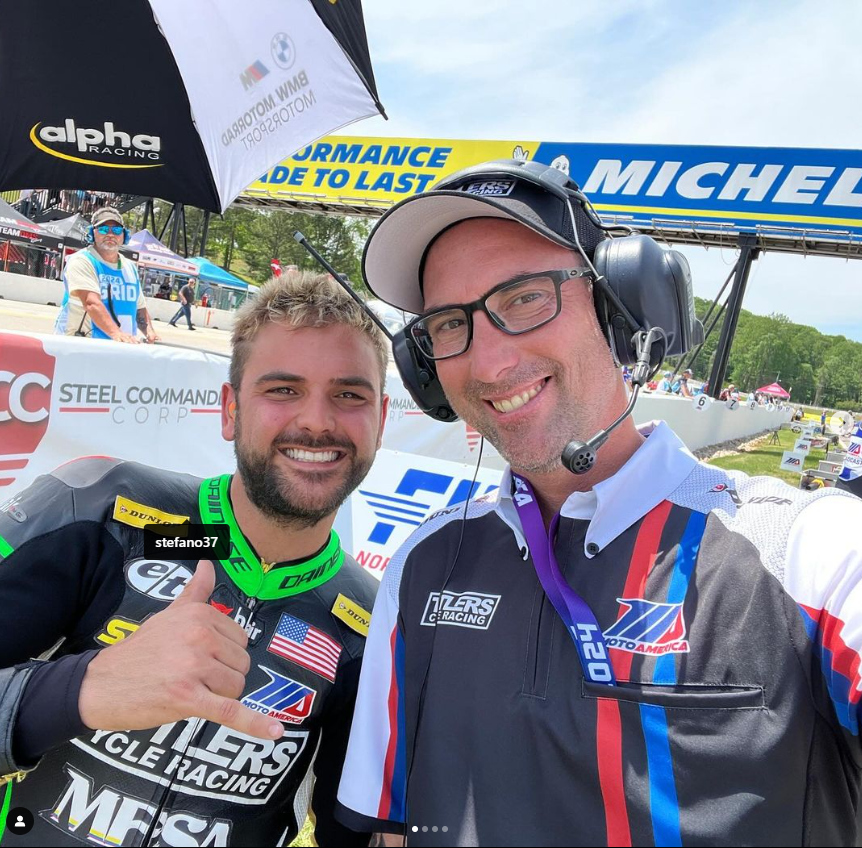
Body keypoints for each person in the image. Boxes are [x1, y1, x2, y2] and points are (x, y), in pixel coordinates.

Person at [335, 159, 862, 845]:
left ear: (619, 309)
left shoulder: (810, 554)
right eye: (447, 324)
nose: (489, 363)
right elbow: (390, 830)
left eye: (525, 297)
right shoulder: (422, 564)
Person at [0, 272, 389, 846]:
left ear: (381, 419)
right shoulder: (104, 506)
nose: (316, 420)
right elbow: (200, 543)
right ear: (230, 410)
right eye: (283, 389)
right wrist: (85, 688)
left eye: (349, 395)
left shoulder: (373, 620)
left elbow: (354, 831)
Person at [54, 207, 157, 343]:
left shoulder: (130, 267)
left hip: (122, 346)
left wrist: (149, 331)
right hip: (81, 344)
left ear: (124, 235)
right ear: (92, 233)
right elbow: (91, 303)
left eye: (116, 230)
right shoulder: (82, 261)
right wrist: (116, 333)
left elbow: (139, 306)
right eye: (103, 229)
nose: (110, 234)